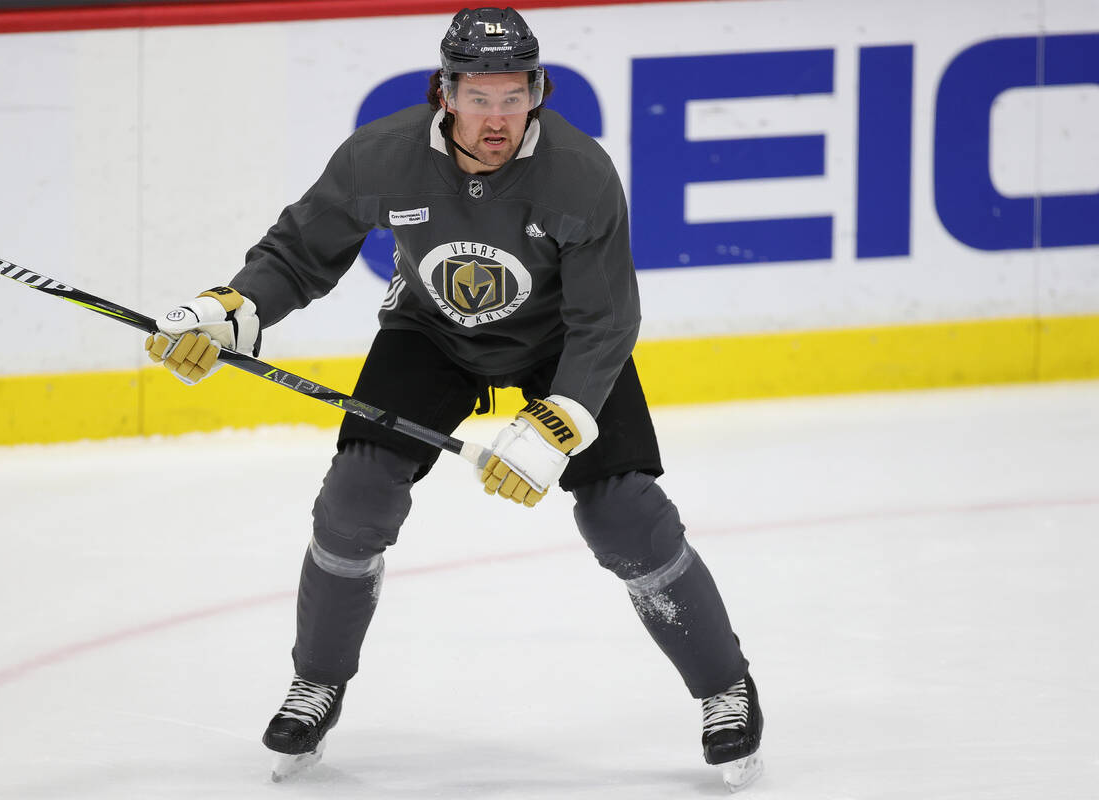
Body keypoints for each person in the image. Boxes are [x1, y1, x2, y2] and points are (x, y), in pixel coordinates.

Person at [145, 6, 763, 789]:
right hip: (430, 334)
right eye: (480, 96)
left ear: (536, 92)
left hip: (560, 349)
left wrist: (560, 420)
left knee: (626, 515)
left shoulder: (581, 171)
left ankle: (726, 689)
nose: (498, 118)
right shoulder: (382, 156)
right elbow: (301, 252)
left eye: (514, 97)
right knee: (354, 500)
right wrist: (236, 309)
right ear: (446, 92)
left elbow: (606, 320)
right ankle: (318, 682)